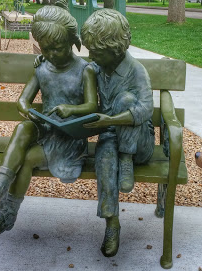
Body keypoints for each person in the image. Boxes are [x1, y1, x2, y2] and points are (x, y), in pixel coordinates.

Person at [0, 5, 97, 235]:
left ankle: (8, 213)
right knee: (23, 127)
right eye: (46, 49)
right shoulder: (42, 68)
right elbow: (23, 100)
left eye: (57, 49)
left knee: (28, 159)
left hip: (68, 137)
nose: (51, 54)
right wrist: (27, 109)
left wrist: (70, 109)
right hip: (45, 128)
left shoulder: (85, 70)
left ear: (72, 41)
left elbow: (93, 106)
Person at [81, 9, 155, 257]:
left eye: (96, 52)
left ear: (115, 49)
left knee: (126, 100)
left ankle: (126, 159)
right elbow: (72, 66)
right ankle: (111, 224)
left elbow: (145, 110)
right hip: (111, 136)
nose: (90, 56)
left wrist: (110, 119)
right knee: (103, 161)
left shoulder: (136, 70)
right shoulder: (98, 67)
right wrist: (43, 61)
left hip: (139, 144)